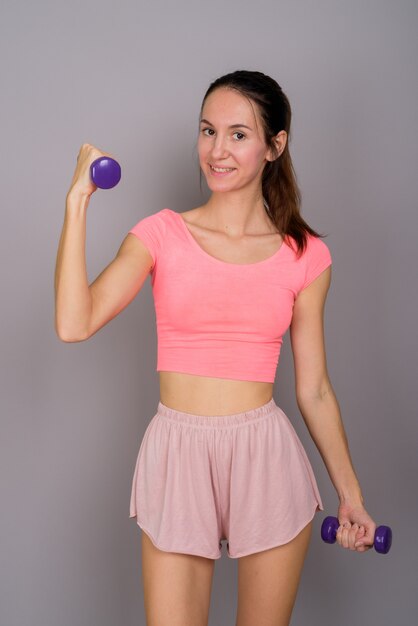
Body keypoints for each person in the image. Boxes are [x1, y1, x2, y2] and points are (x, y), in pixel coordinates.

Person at [55, 70, 377, 626]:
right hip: (177, 451)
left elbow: (315, 389)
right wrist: (77, 202)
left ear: (275, 146)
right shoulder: (160, 234)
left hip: (265, 455)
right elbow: (73, 323)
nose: (217, 151)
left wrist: (351, 495)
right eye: (207, 131)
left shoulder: (305, 255)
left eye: (238, 135)